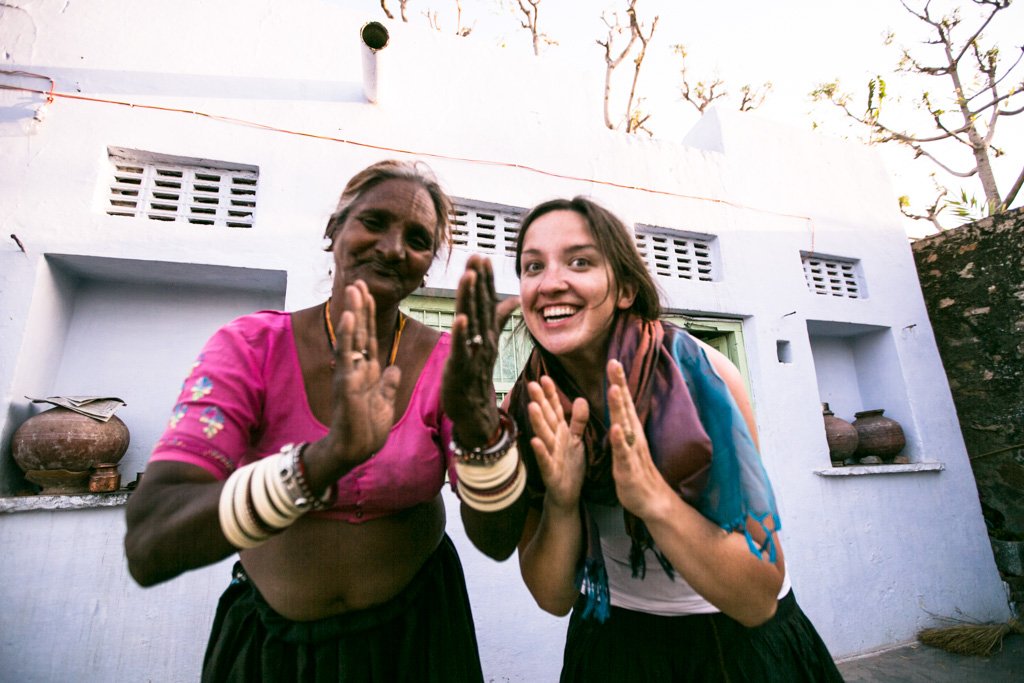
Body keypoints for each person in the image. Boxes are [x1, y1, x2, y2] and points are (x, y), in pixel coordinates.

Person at [124, 159, 515, 682]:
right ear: (335, 231)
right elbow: (152, 543)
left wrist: (479, 433)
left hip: (419, 641)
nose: (394, 247)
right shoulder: (250, 349)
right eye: (374, 223)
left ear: (427, 265)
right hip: (274, 653)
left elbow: (497, 541)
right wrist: (325, 460)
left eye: (418, 239)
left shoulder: (450, 364)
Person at [459, 196, 843, 681]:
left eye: (579, 261)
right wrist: (560, 500)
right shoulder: (531, 402)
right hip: (611, 644)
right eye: (533, 266)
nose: (550, 282)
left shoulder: (703, 377)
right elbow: (553, 598)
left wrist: (655, 501)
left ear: (624, 290)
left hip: (733, 648)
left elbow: (756, 597)